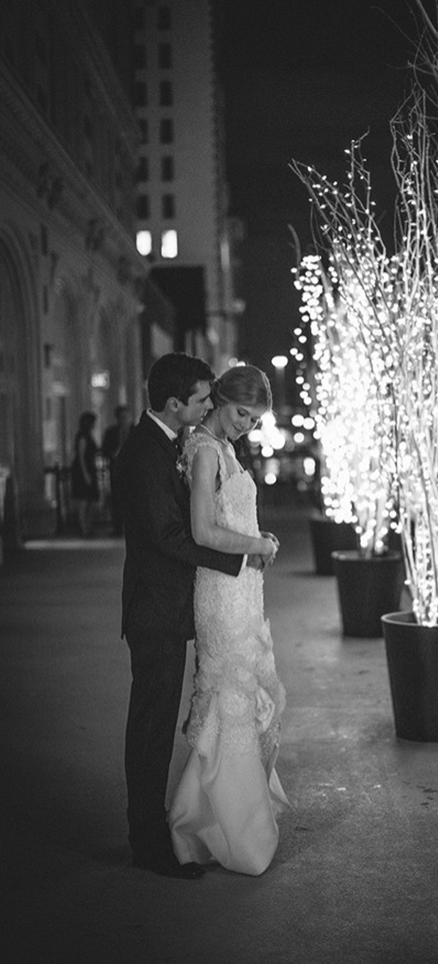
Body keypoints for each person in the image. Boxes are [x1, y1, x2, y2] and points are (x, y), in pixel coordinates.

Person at [113, 353, 273, 880]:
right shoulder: (144, 453)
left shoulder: (175, 445)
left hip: (177, 603)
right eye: (204, 398)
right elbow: (170, 536)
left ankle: (175, 824)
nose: (210, 404)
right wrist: (242, 554)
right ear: (175, 402)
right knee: (151, 728)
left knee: (160, 724)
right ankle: (150, 840)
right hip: (154, 610)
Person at [169, 365, 289, 876]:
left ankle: (218, 819)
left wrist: (261, 544)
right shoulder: (202, 452)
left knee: (247, 691)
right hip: (220, 592)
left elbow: (235, 518)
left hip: (244, 587)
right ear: (218, 399)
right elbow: (202, 531)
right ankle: (225, 828)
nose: (246, 425)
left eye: (255, 419)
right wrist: (257, 545)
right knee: (230, 699)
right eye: (242, 414)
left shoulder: (227, 449)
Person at [102, 405, 133, 535]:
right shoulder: (111, 432)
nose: (123, 420)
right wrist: (112, 453)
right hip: (116, 468)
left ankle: (132, 527)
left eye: (125, 417)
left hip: (133, 470)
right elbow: (105, 449)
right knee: (116, 499)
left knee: (132, 498)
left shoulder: (135, 430)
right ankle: (117, 528)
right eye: (121, 417)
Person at [70, 411, 100, 537]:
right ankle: (83, 528)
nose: (95, 424)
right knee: (83, 500)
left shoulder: (88, 435)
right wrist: (86, 474)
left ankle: (87, 526)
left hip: (89, 468)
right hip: (83, 470)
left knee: (90, 499)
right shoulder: (82, 436)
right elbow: (81, 457)